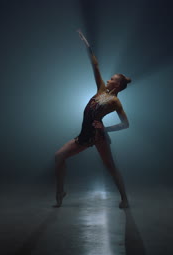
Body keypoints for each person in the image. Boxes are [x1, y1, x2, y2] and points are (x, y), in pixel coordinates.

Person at [53, 29, 131, 209]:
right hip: (85, 133)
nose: (109, 79)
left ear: (117, 84)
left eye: (112, 79)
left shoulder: (115, 102)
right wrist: (87, 45)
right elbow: (96, 66)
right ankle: (60, 191)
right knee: (59, 157)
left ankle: (124, 199)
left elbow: (126, 124)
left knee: (110, 167)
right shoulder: (101, 90)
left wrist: (106, 129)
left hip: (97, 136)